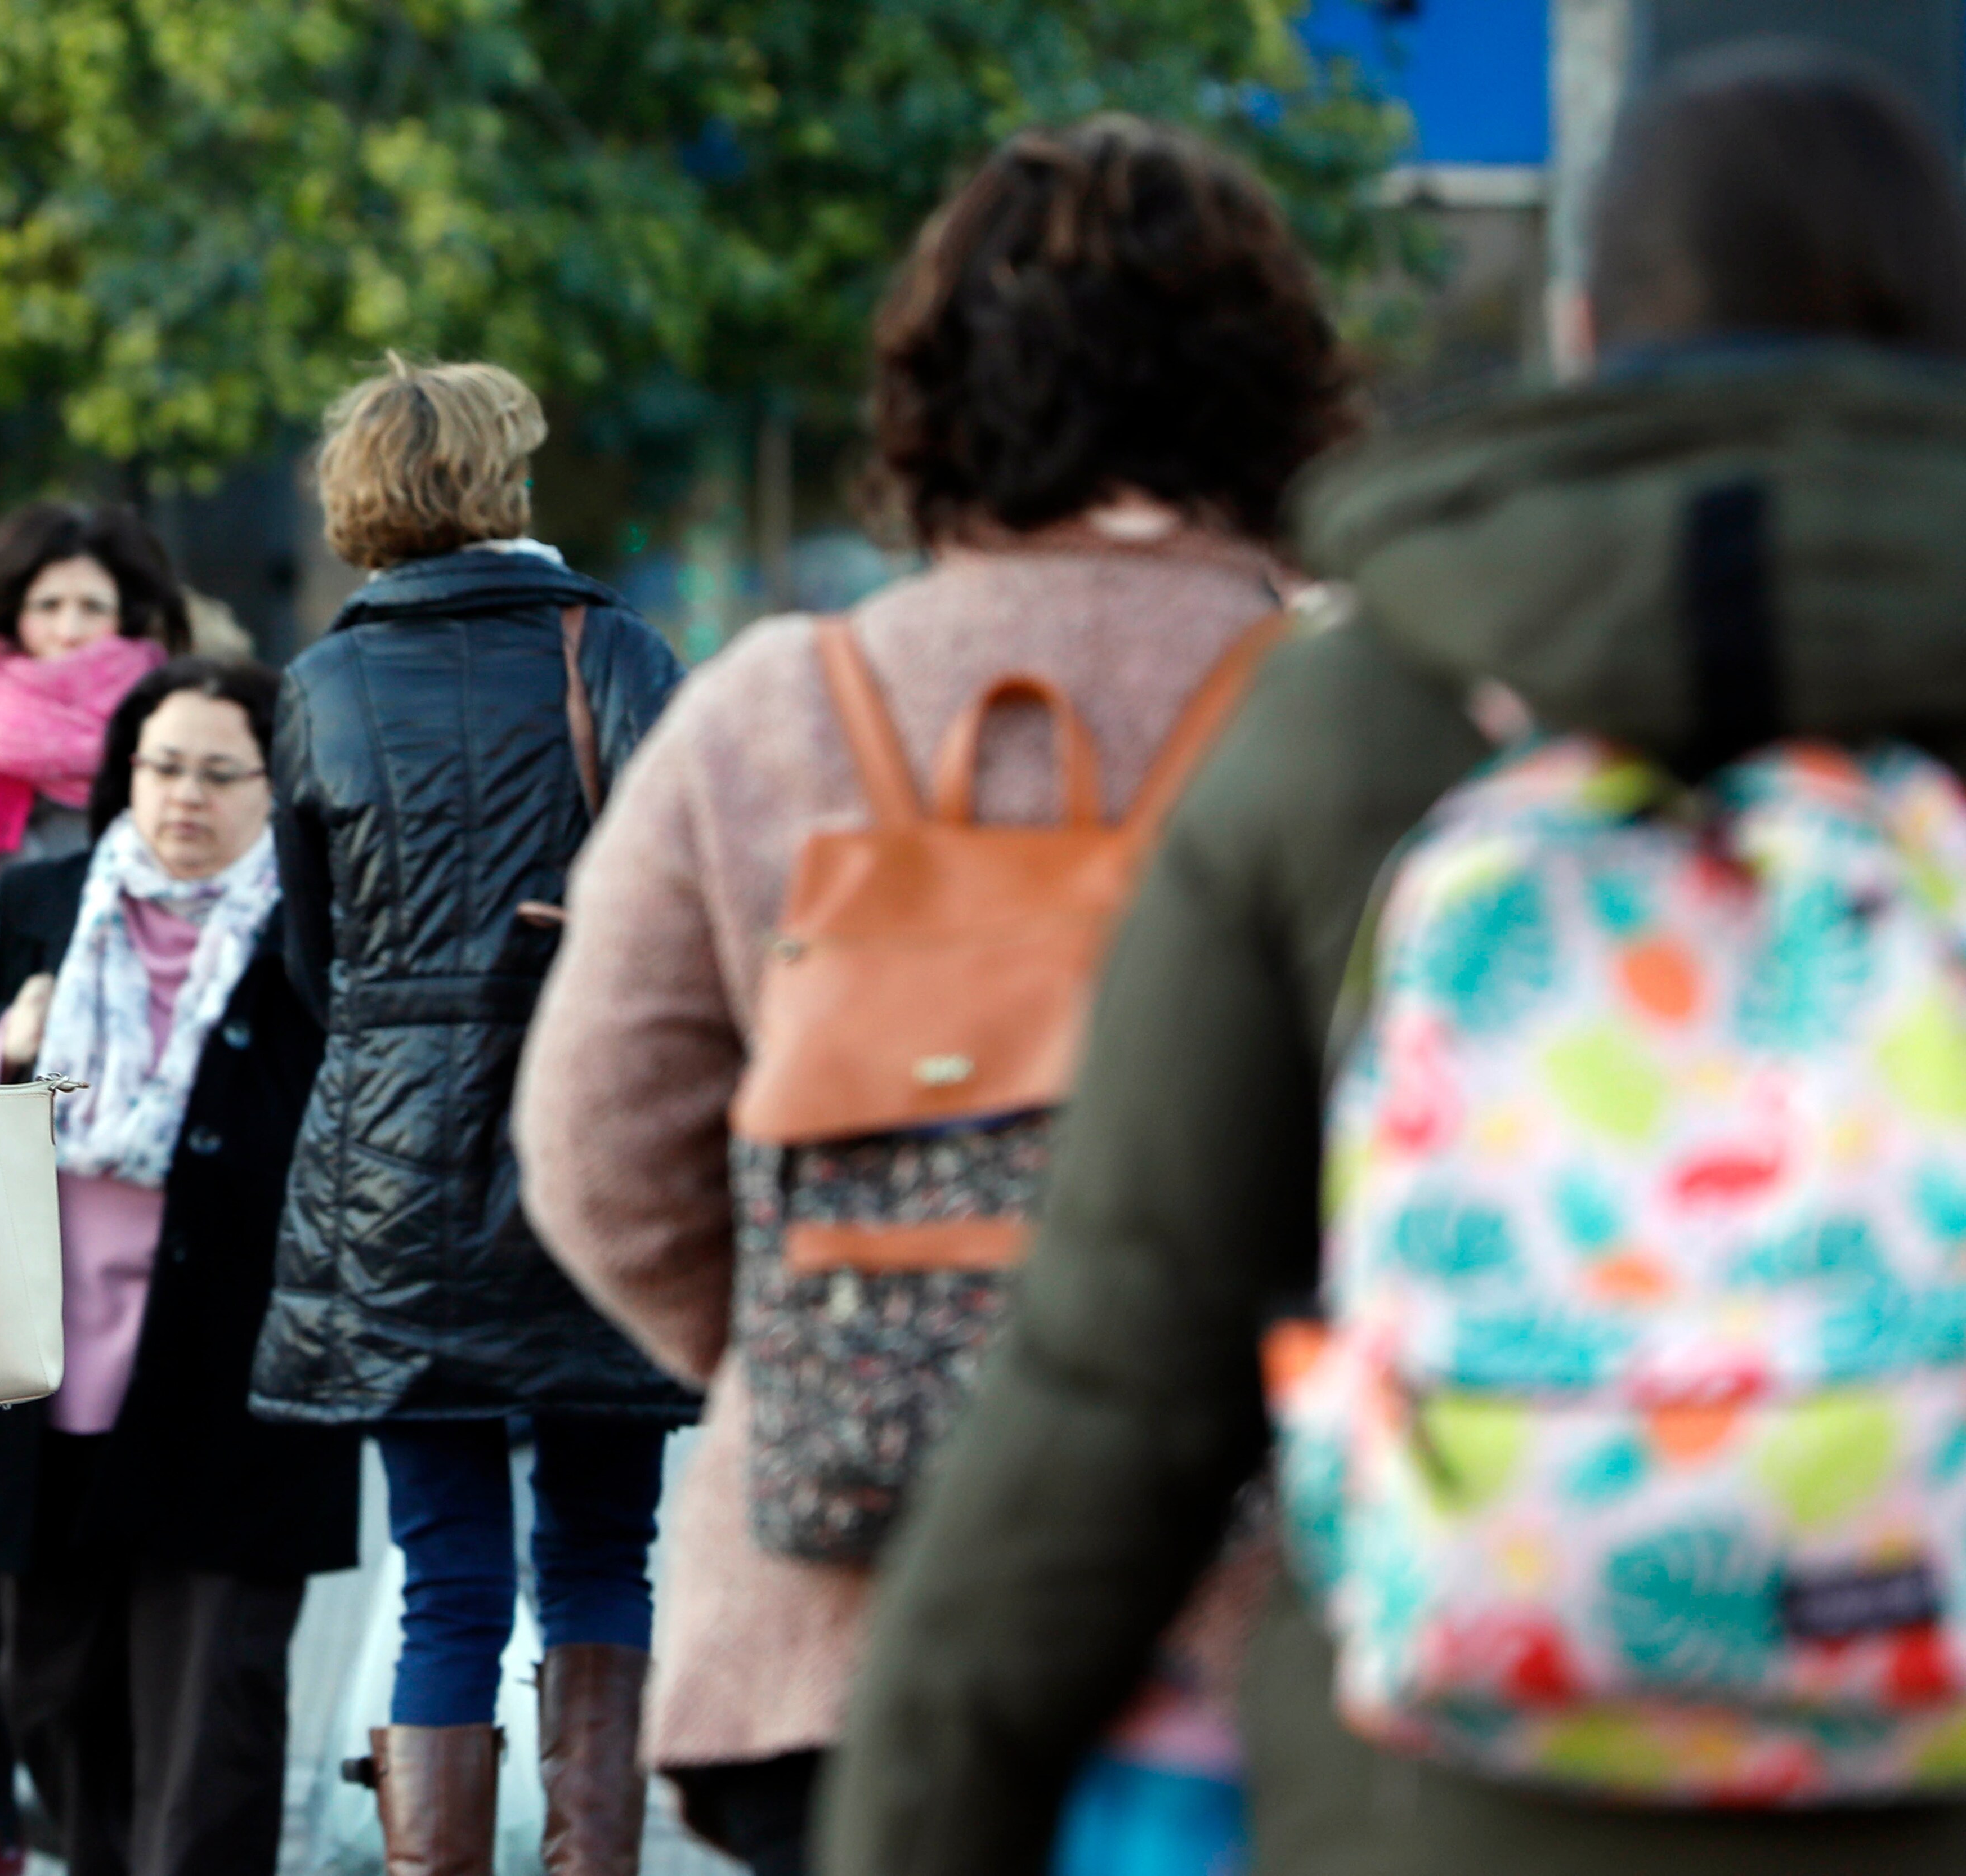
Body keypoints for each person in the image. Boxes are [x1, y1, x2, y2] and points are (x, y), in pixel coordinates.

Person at [819, 44, 1966, 1876]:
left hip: (1440, 1797)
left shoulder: (1356, 715)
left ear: (1585, 326)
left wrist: (917, 1823)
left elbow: (1117, 1383)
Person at [516, 116, 1349, 1876]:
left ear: (933, 391)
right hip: (1289, 1623)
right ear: (1276, 388)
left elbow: (594, 1146)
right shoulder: (1374, 709)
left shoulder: (775, 706)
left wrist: (812, 1353)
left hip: (845, 1640)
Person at [247, 356, 695, 1876]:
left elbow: (308, 956)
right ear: (505, 477)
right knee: (599, 1551)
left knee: (446, 1574)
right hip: (594, 1153)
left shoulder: (318, 685)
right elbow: (684, 912)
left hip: (390, 1170)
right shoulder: (620, 652)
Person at [0, 657, 360, 1876]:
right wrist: (1, 1049)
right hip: (41, 1372)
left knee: (211, 1731)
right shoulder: (41, 903)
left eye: (221, 773)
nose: (184, 796)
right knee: (51, 1695)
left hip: (235, 1386)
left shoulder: (317, 935)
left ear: (275, 787)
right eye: (162, 766)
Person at [0, 502, 191, 866]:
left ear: (126, 615)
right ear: (14, 612)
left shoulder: (172, 716)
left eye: (93, 607)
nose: (69, 632)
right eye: (48, 606)